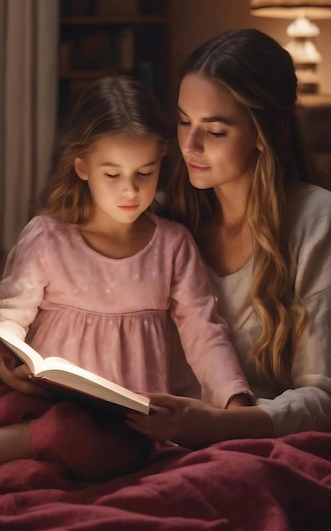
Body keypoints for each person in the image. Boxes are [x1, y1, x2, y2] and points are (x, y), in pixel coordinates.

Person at [0, 72, 252, 480]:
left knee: (114, 445)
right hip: (47, 405)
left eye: (145, 173)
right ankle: (22, 443)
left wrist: (237, 409)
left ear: (162, 160)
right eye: (113, 175)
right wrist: (7, 370)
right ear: (82, 167)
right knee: (71, 426)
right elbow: (0, 326)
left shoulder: (173, 244)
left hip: (131, 422)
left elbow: (204, 332)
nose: (130, 190)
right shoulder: (49, 237)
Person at [126, 28, 331, 448]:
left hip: (256, 448)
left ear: (264, 133)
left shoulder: (315, 222)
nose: (189, 145)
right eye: (183, 122)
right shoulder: (158, 218)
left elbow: (322, 399)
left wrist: (221, 426)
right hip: (149, 444)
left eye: (215, 131)